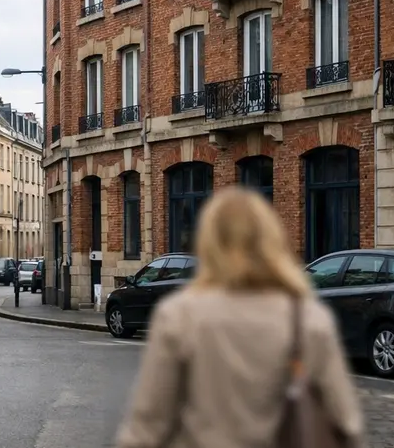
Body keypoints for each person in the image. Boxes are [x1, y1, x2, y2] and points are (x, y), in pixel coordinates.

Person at [115, 187, 364, 448]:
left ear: (208, 244)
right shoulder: (308, 318)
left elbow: (147, 426)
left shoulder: (180, 316)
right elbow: (347, 424)